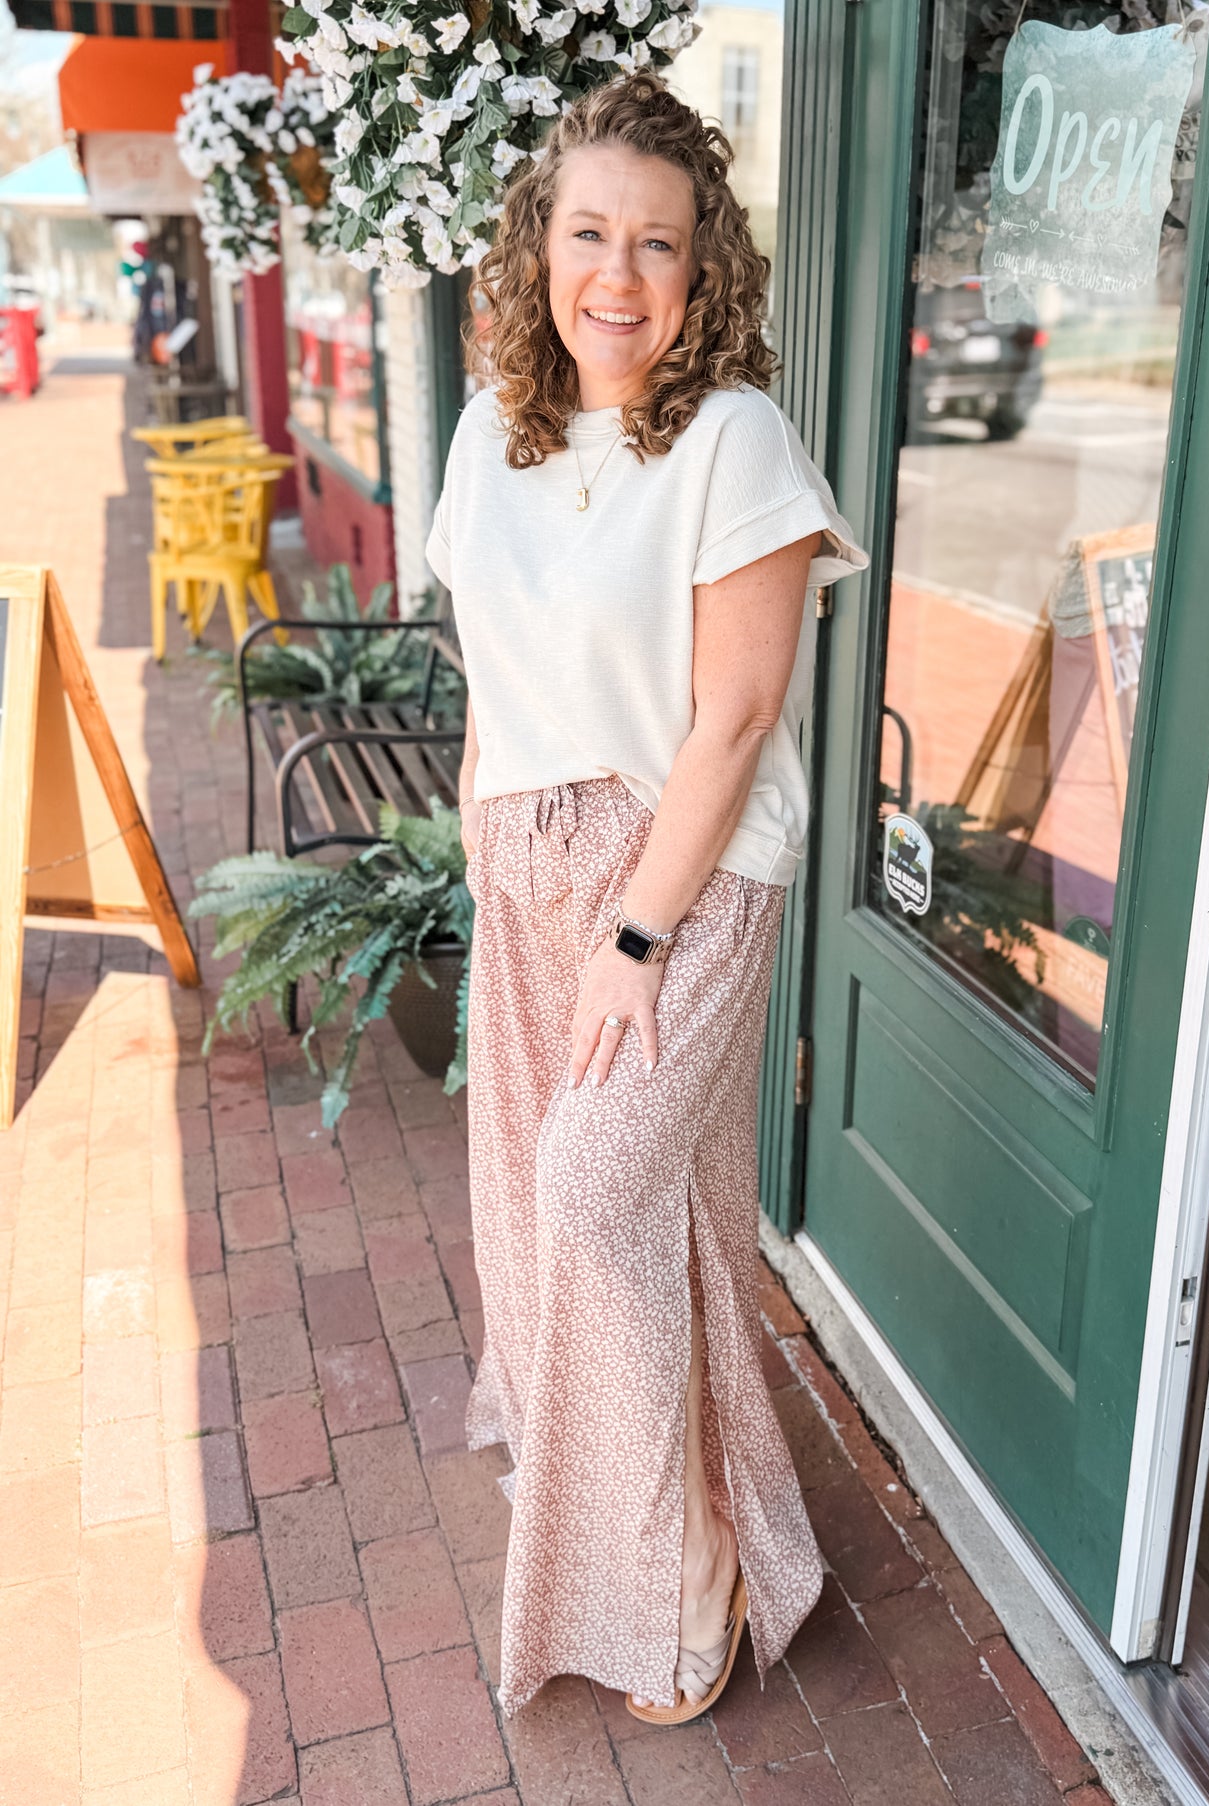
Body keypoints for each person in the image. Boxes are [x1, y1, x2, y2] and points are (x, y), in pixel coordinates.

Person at [425, 71, 868, 1725]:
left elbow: (737, 718)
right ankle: (685, 1511)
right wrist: (483, 845)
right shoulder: (491, 424)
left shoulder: (733, 437)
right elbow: (490, 661)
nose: (617, 275)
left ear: (704, 271)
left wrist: (631, 933)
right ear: (539, 246)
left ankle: (680, 1584)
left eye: (657, 244)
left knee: (598, 1191)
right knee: (590, 1209)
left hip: (677, 868)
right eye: (588, 232)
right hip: (526, 858)